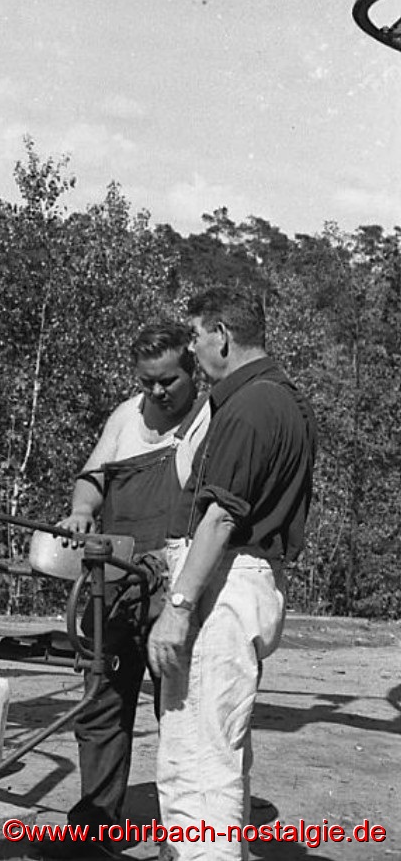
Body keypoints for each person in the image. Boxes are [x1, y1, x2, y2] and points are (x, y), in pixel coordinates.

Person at [147, 285, 316, 861]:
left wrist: (177, 608)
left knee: (198, 761)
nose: (193, 351)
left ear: (221, 334)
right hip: (247, 580)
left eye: (196, 336)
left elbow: (221, 517)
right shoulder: (285, 400)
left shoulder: (249, 406)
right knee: (217, 748)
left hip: (223, 585)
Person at [40, 322, 209, 857]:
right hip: (111, 585)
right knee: (101, 705)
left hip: (171, 586)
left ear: (192, 371)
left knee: (178, 715)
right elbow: (94, 476)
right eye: (147, 382)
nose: (157, 392)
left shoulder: (208, 423)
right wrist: (81, 509)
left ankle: (182, 838)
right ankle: (94, 828)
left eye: (168, 381)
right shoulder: (125, 417)